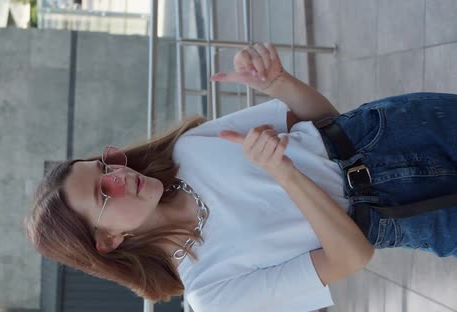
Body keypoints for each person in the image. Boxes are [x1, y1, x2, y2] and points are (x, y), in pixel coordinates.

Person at [24, 42, 457, 311]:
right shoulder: (211, 292)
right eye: (104, 191)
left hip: (393, 128)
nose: (118, 173)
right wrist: (284, 174)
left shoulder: (185, 151)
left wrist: (278, 81)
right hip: (409, 213)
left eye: (104, 166)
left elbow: (325, 122)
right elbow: (352, 257)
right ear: (107, 241)